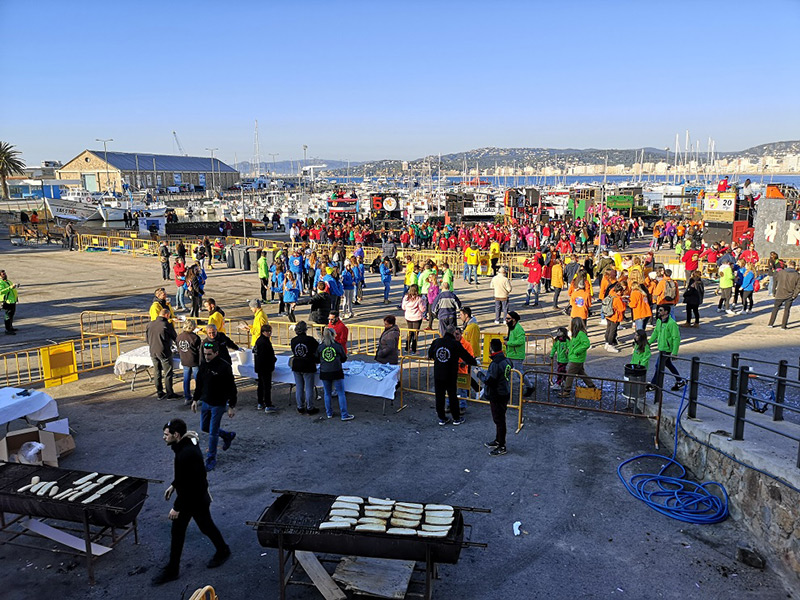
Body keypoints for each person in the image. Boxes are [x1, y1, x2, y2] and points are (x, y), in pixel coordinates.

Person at [152, 418, 230, 585]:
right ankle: (222, 550)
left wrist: (176, 507)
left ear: (176, 435)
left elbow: (191, 483)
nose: (163, 437)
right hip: (195, 496)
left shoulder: (186, 453)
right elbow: (185, 475)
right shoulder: (185, 443)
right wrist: (174, 484)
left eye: (166, 435)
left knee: (184, 530)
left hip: (193, 498)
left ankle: (173, 570)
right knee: (202, 526)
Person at [192, 340, 237, 471]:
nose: (206, 357)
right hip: (206, 401)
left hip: (219, 403)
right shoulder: (203, 365)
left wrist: (231, 405)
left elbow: (231, 387)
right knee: (204, 427)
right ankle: (227, 435)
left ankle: (211, 458)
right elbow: (199, 384)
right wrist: (195, 399)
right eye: (205, 354)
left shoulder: (224, 367)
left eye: (209, 354)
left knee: (212, 432)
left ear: (216, 353)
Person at [428, 325, 478, 426]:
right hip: (450, 374)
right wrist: (474, 362)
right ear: (454, 333)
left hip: (438, 373)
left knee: (439, 396)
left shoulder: (437, 342)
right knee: (452, 395)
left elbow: (430, 354)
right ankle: (456, 418)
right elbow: (466, 356)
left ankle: (442, 418)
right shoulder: (455, 344)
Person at [482, 338, 512, 456]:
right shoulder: (506, 360)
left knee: (499, 420)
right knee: (499, 419)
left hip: (497, 394)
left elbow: (490, 380)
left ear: (491, 348)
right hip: (504, 392)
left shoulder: (495, 363)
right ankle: (498, 440)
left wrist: (479, 374)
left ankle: (501, 445)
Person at [317, 327, 354, 421]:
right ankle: (344, 414)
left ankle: (329, 413)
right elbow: (343, 358)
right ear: (333, 335)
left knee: (327, 393)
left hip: (325, 372)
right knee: (341, 393)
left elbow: (316, 359)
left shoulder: (321, 347)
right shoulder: (337, 346)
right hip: (336, 371)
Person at [648, 305, 686, 392]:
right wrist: (649, 343)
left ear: (666, 312)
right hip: (662, 348)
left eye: (661, 310)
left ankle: (653, 384)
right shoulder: (659, 321)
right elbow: (656, 332)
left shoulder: (672, 324)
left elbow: (676, 338)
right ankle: (679, 380)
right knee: (668, 364)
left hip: (667, 349)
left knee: (658, 366)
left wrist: (674, 352)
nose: (658, 312)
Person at [146, 307, 178, 400]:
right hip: (164, 351)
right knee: (168, 373)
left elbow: (147, 339)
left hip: (153, 351)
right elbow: (175, 338)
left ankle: (159, 392)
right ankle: (170, 393)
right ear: (167, 315)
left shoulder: (150, 324)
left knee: (157, 372)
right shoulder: (167, 325)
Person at [289, 321, 321, 414]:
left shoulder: (293, 340)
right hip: (308, 365)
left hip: (297, 364)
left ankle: (300, 406)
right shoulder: (310, 340)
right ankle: (310, 407)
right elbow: (317, 349)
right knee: (308, 387)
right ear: (305, 330)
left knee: (299, 387)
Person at [560, 317, 595, 398]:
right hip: (576, 357)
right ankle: (591, 386)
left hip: (577, 358)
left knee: (570, 374)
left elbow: (586, 344)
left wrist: (576, 351)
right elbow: (574, 344)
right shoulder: (576, 334)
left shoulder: (580, 334)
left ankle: (567, 391)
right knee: (581, 373)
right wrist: (569, 349)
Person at [768, 260, 800, 329]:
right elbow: (798, 286)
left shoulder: (781, 272)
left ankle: (771, 323)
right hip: (790, 294)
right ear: (794, 266)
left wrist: (774, 291)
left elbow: (775, 282)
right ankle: (783, 326)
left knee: (775, 308)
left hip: (780, 292)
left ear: (788, 265)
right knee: (787, 310)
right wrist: (795, 295)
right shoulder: (797, 275)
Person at [253, 324, 278, 412]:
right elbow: (267, 356)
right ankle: (268, 404)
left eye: (270, 331)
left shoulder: (259, 341)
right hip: (265, 367)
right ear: (263, 332)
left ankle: (260, 402)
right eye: (268, 332)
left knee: (261, 385)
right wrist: (273, 360)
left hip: (260, 367)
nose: (270, 333)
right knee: (266, 386)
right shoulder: (264, 342)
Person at [176, 321, 201, 406]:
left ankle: (187, 397)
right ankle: (198, 397)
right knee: (198, 380)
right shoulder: (195, 337)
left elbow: (178, 348)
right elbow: (199, 350)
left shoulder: (179, 336)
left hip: (184, 360)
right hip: (194, 360)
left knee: (186, 379)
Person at [401, 284, 426, 354]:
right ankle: (414, 349)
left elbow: (403, 307)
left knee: (409, 332)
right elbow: (422, 309)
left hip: (408, 317)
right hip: (417, 318)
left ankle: (407, 348)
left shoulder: (406, 297)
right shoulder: (419, 299)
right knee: (415, 334)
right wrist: (424, 302)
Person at [604, 283, 626, 353]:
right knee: (612, 331)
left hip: (608, 315)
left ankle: (607, 343)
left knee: (608, 329)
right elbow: (622, 308)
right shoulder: (617, 299)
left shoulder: (611, 294)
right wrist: (624, 302)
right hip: (615, 317)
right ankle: (610, 345)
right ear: (619, 292)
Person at [504, 311, 526, 381]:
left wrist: (508, 343)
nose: (506, 320)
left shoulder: (518, 328)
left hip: (516, 355)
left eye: (508, 318)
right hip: (510, 354)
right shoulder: (512, 327)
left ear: (513, 319)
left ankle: (530, 386)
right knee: (506, 373)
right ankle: (506, 388)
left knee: (520, 373)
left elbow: (521, 341)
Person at [0, 270, 19, 335]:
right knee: (8, 316)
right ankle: (7, 330)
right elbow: (1, 291)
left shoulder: (8, 281)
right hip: (7, 301)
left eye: (5, 274)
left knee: (11, 315)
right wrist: (11, 287)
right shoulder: (0, 283)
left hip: (12, 301)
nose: (5, 275)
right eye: (3, 274)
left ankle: (10, 327)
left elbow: (12, 289)